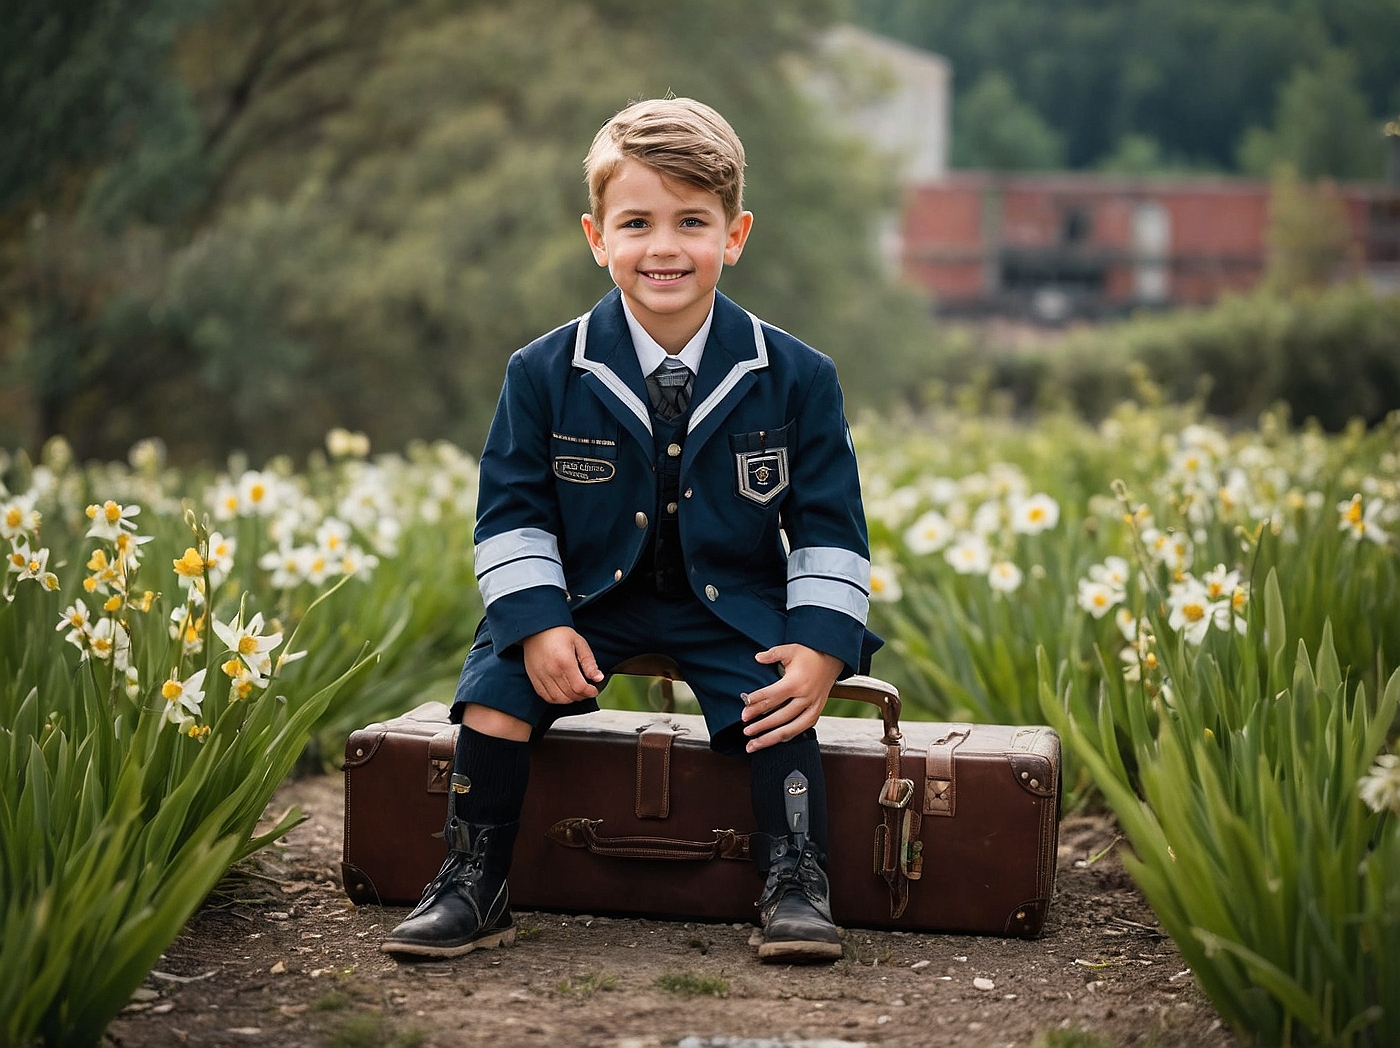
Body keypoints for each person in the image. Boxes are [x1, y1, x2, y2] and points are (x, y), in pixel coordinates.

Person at [382, 97, 881, 965]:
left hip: (729, 602)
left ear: (735, 234)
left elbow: (831, 523)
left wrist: (821, 649)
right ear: (595, 235)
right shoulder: (542, 370)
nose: (663, 247)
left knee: (778, 707)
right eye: (637, 222)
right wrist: (537, 624)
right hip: (584, 600)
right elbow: (510, 511)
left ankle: (795, 882)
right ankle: (474, 879)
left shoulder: (798, 375)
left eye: (692, 222)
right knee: (497, 695)